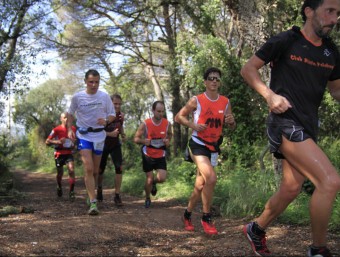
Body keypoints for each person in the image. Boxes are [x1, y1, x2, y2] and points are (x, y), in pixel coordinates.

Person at [240, 0, 340, 256]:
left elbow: (336, 89)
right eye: (330, 11)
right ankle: (318, 250)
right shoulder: (286, 40)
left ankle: (256, 229)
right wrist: (269, 95)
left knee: (291, 188)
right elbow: (248, 69)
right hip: (284, 122)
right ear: (309, 11)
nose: (335, 18)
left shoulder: (331, 52)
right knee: (329, 181)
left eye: (338, 13)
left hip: (307, 126)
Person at [175, 67, 236, 235]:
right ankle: (206, 217)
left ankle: (187, 215)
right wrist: (193, 125)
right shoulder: (197, 100)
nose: (214, 81)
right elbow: (178, 117)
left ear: (219, 82)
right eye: (211, 78)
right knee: (211, 178)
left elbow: (231, 125)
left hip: (214, 146)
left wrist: (231, 121)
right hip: (198, 144)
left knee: (200, 184)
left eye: (217, 78)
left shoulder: (225, 102)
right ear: (205, 82)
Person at [67, 69, 116, 215]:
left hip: (99, 136)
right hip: (84, 135)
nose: (94, 85)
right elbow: (70, 113)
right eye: (91, 82)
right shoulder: (78, 97)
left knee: (95, 171)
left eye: (96, 82)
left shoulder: (104, 96)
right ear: (85, 82)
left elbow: (113, 114)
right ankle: (93, 203)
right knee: (88, 167)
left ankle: (90, 194)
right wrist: (70, 129)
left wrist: (106, 120)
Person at [133, 101, 172, 208]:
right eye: (158, 111)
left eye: (163, 111)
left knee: (162, 178)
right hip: (148, 154)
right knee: (149, 179)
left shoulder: (167, 124)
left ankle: (154, 183)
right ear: (153, 111)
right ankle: (147, 198)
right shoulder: (146, 124)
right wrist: (143, 141)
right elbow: (135, 138)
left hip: (160, 154)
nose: (161, 113)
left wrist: (167, 141)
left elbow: (170, 135)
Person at [97, 94, 126, 206]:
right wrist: (109, 133)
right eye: (115, 104)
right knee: (100, 170)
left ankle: (117, 195)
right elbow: (97, 131)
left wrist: (123, 134)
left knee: (119, 168)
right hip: (102, 144)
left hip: (115, 144)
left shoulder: (121, 116)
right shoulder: (103, 114)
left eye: (119, 104)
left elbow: (121, 126)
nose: (117, 106)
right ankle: (99, 189)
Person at [45, 112, 77, 200]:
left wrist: (74, 144)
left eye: (68, 118)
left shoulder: (73, 129)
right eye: (65, 118)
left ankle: (71, 192)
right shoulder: (56, 130)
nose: (67, 119)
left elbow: (76, 142)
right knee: (60, 173)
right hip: (59, 154)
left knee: (71, 170)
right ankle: (59, 186)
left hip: (69, 153)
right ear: (61, 119)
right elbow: (47, 141)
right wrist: (58, 142)